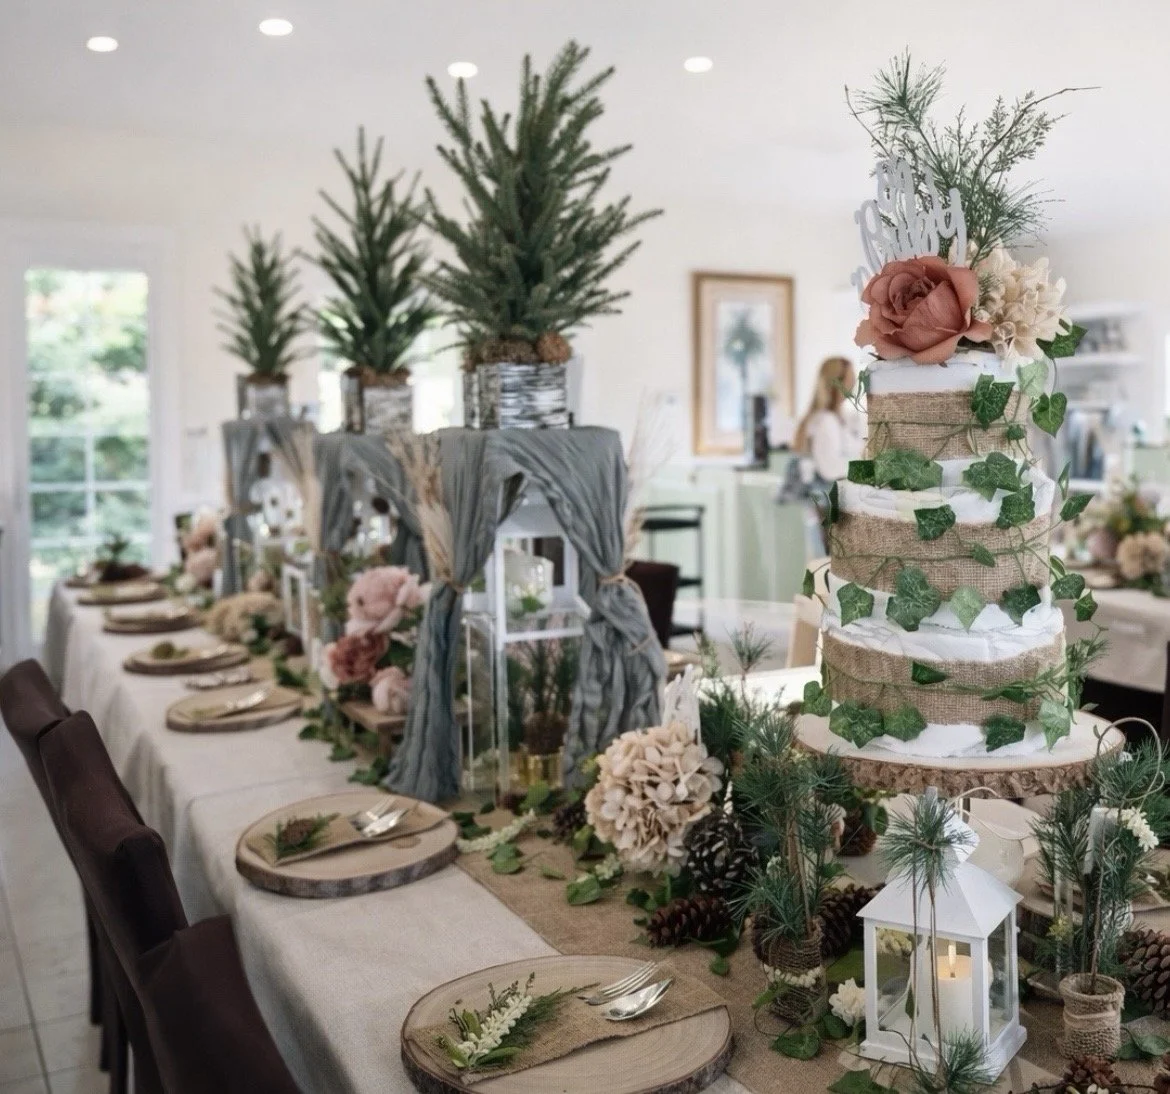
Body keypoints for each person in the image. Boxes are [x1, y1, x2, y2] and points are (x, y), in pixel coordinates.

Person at [780, 356, 865, 558]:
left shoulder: (835, 419)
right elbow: (830, 468)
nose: (854, 384)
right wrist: (864, 466)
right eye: (850, 378)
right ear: (837, 382)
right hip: (828, 504)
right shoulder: (826, 421)